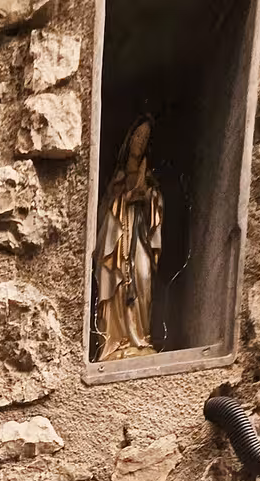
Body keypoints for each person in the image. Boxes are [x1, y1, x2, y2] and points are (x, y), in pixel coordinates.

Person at [95, 117, 165, 359]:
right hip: (118, 237)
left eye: (144, 139)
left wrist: (146, 198)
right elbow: (104, 208)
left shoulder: (150, 176)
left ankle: (141, 337)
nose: (139, 142)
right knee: (117, 281)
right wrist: (122, 198)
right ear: (129, 140)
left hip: (140, 236)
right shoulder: (118, 175)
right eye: (137, 137)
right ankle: (117, 339)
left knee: (143, 276)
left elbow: (157, 205)